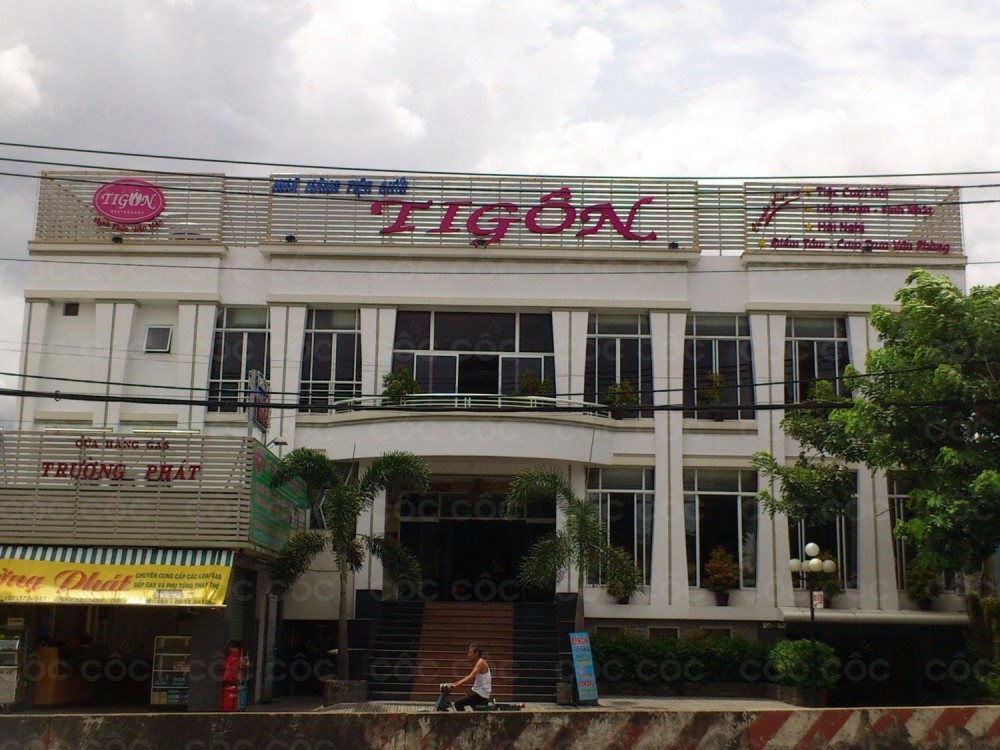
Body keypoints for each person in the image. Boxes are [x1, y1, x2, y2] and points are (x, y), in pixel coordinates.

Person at [445, 643, 491, 711]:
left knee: (458, 703)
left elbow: (471, 676)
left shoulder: (481, 662)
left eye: (470, 652)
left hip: (480, 695)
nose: (468, 655)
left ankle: (464, 718)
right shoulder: (478, 662)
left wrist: (455, 685)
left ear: (476, 653)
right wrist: (456, 684)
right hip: (478, 693)